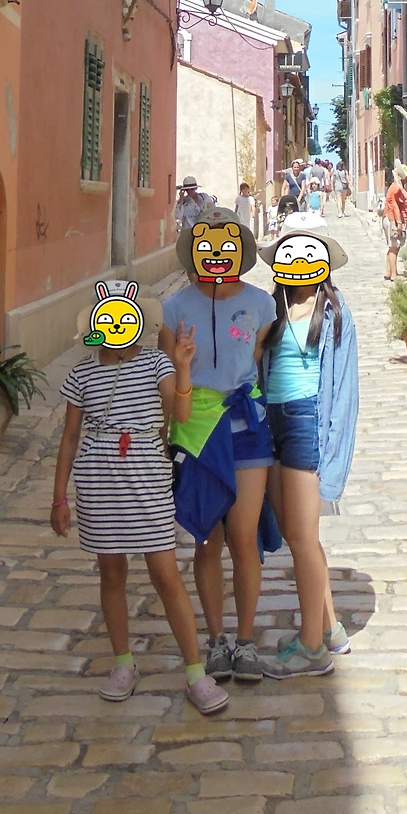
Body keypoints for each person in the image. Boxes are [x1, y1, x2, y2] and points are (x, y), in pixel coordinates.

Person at [50, 284, 228, 715]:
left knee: (166, 575)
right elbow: (70, 437)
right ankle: (123, 663)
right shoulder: (82, 374)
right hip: (98, 481)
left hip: (147, 477)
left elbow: (180, 414)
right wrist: (59, 497)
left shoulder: (155, 364)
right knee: (111, 573)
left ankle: (195, 674)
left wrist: (183, 367)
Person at [160, 214, 277, 685]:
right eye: (205, 249)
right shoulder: (174, 309)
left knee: (243, 537)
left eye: (224, 248)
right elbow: (168, 379)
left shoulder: (261, 304)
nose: (215, 256)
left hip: (246, 428)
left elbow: (254, 357)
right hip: (196, 432)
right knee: (206, 539)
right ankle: (215, 641)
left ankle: (245, 641)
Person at [257, 222, 359, 677]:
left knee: (300, 539)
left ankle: (312, 648)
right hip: (274, 425)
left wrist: (333, 466)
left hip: (306, 427)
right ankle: (330, 628)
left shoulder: (334, 314)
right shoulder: (276, 312)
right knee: (300, 537)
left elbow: (343, 394)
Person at [382, 162, 407, 282]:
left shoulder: (397, 187)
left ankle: (389, 271)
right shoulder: (396, 188)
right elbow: (394, 206)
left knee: (392, 246)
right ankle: (394, 275)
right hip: (393, 219)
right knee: (394, 246)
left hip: (391, 218)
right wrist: (399, 223)